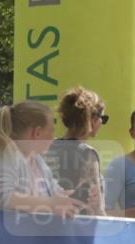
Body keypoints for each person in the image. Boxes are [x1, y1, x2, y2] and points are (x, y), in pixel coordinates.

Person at [0, 100, 85, 217]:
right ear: (37, 133)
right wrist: (50, 204)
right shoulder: (1, 153)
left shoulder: (37, 160)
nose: (53, 138)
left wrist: (76, 197)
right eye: (51, 131)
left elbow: (54, 193)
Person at [46, 87, 108, 215]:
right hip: (76, 227)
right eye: (103, 117)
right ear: (92, 118)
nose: (102, 122)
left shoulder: (46, 146)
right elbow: (95, 208)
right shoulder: (87, 154)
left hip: (43, 221)